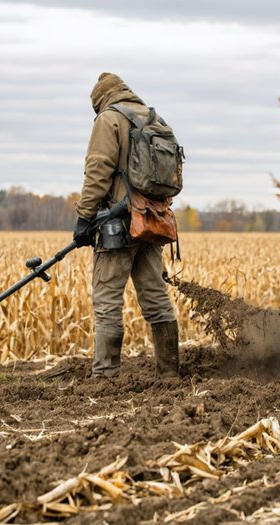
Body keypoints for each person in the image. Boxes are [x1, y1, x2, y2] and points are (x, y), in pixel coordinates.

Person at [73, 72, 179, 379]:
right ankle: (169, 373)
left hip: (117, 225)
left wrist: (84, 218)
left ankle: (105, 376)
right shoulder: (153, 119)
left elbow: (98, 170)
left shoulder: (110, 119)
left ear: (99, 98)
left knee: (107, 300)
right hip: (151, 221)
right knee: (156, 297)